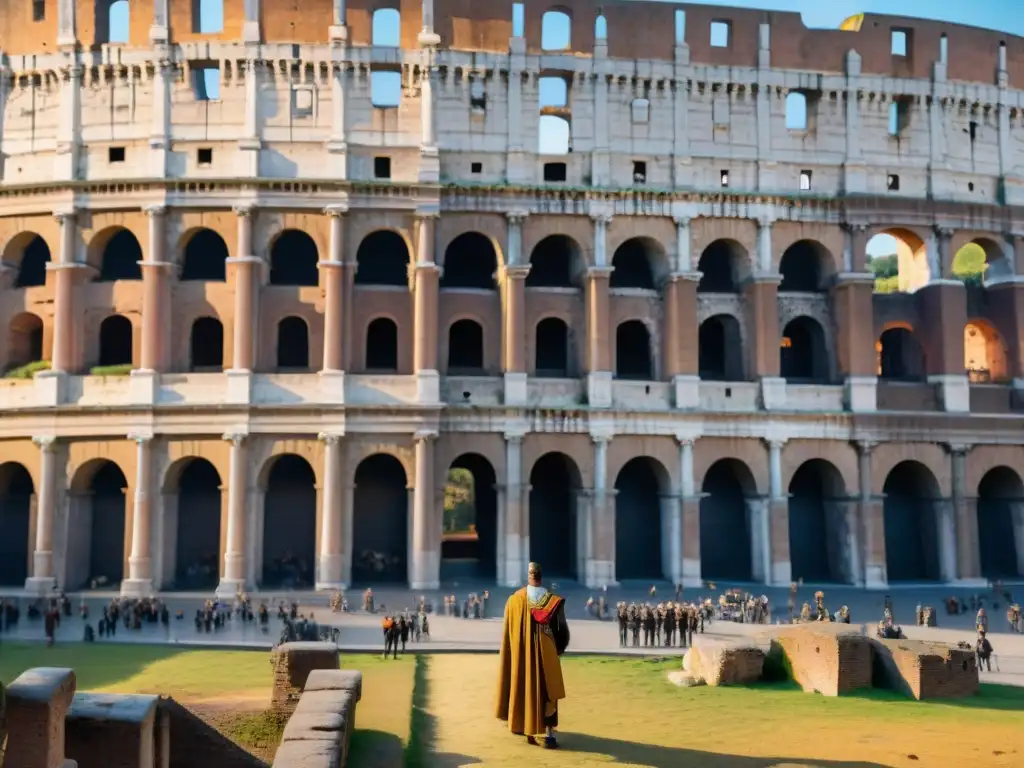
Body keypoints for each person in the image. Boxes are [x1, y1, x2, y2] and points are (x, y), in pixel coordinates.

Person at [495, 561, 570, 749]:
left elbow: (508, 634)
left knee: (524, 688)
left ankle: (524, 727)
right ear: (541, 576)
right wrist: (558, 650)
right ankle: (549, 734)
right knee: (547, 693)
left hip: (522, 656)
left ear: (528, 576)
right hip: (547, 655)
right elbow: (562, 632)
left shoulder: (514, 600)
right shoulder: (552, 601)